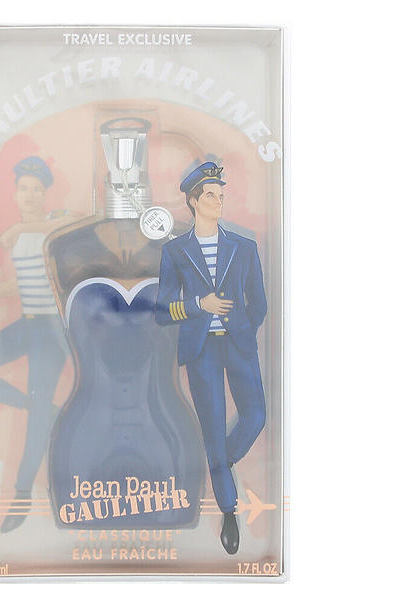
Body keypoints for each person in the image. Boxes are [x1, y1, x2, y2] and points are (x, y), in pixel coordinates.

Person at [155, 161, 267, 554]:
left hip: (238, 345)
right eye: (210, 195)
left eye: (221, 195)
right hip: (200, 351)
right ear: (193, 201)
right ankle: (229, 509)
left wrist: (243, 327)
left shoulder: (244, 247)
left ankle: (222, 458)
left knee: (256, 417)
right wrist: (198, 305)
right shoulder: (175, 251)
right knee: (213, 423)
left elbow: (259, 303)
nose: (219, 201)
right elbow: (162, 311)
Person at [0, 156, 78, 533]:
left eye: (36, 189)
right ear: (15, 192)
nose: (29, 194)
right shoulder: (19, 235)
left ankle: (21, 494)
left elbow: (76, 222)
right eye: (23, 188)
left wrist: (23, 227)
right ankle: (36, 404)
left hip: (52, 331)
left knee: (37, 417)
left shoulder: (54, 222)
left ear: (45, 193)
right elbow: (21, 283)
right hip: (28, 324)